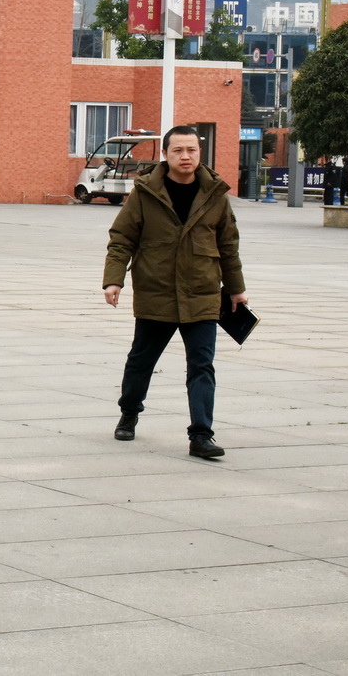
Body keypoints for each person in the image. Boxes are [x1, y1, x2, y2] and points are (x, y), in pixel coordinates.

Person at [104, 125, 248, 460]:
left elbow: (228, 245)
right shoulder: (145, 193)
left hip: (202, 293)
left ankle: (201, 435)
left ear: (200, 153)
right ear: (165, 154)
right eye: (178, 150)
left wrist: (237, 290)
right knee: (141, 360)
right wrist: (114, 280)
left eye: (191, 150)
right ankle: (129, 412)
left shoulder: (215, 194)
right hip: (157, 291)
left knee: (202, 365)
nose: (186, 156)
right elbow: (121, 239)